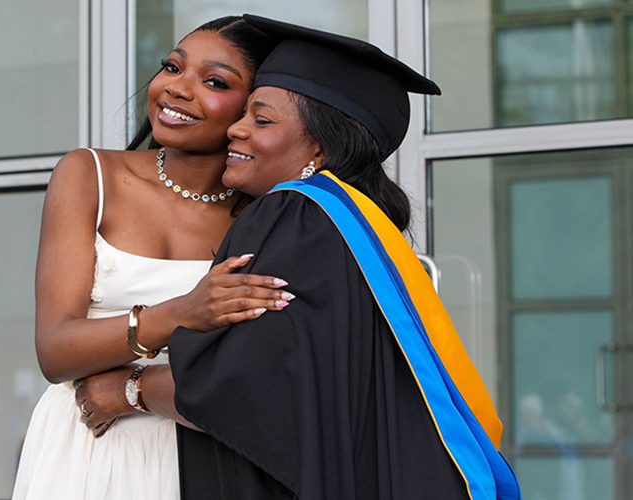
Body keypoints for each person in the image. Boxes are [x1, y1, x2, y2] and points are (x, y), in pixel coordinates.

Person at [164, 15, 523, 500]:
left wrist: (128, 389)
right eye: (244, 114)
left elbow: (248, 386)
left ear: (319, 148)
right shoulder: (362, 229)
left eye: (261, 120)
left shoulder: (291, 213)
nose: (236, 129)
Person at [12, 17, 288, 500]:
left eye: (215, 82)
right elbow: (55, 352)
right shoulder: (89, 174)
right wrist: (183, 312)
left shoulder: (268, 216)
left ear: (255, 109)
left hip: (209, 453)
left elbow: (265, 379)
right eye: (172, 67)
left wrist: (132, 388)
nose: (176, 88)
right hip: (88, 444)